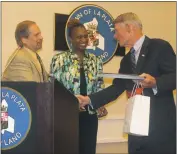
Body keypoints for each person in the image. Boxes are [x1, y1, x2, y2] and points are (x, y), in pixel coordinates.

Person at [77, 12, 176, 154]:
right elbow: (117, 87)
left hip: (159, 131)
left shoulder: (159, 47)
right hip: (136, 131)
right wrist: (89, 99)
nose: (114, 36)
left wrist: (156, 82)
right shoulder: (126, 60)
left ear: (130, 28)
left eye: (116, 31)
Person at [50, 19, 108, 154]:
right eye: (79, 37)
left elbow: (99, 85)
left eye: (85, 36)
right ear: (70, 39)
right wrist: (70, 103)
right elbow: (54, 88)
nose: (83, 39)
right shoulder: (59, 59)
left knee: (88, 150)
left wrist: (100, 104)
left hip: (89, 116)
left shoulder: (95, 60)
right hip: (67, 116)